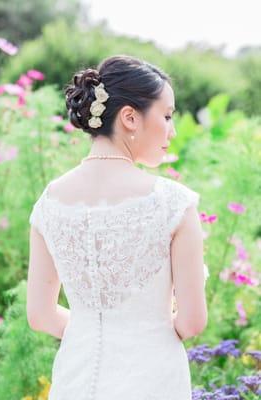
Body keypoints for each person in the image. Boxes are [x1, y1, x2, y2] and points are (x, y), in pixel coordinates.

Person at [27, 54, 209, 400]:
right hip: (153, 379)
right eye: (167, 115)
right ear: (129, 117)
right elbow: (191, 322)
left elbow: (40, 315)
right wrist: (137, 334)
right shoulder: (173, 203)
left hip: (76, 378)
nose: (171, 130)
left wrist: (96, 333)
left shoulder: (48, 203)